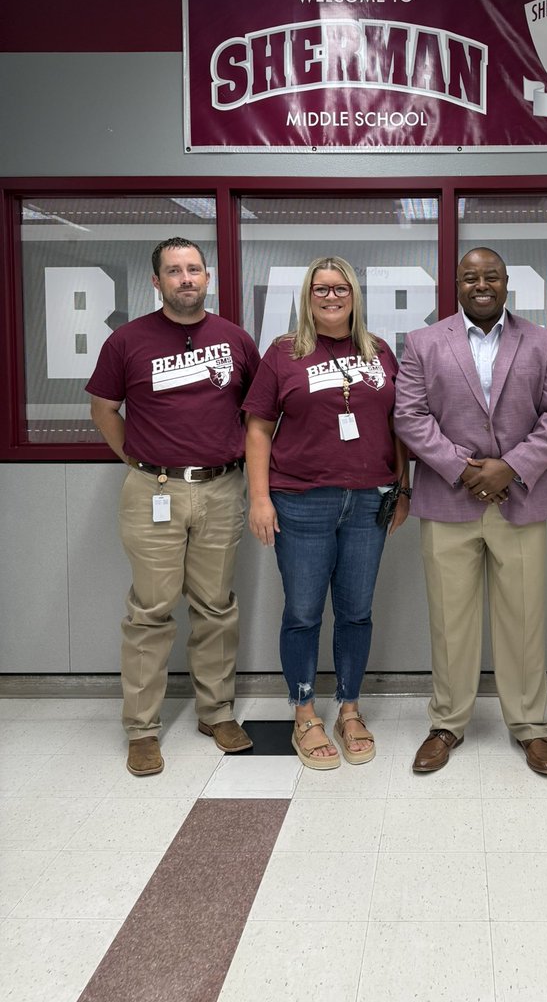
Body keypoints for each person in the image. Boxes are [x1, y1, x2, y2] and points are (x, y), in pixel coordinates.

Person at [393, 247, 547, 777]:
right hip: (448, 500)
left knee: (523, 619)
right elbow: (409, 415)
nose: (481, 283)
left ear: (505, 284)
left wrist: (511, 467)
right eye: (470, 276)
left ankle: (530, 726)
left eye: (490, 276)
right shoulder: (425, 342)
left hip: (520, 501)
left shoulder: (543, 342)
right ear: (456, 284)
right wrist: (465, 468)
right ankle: (447, 722)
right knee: (450, 621)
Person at [86, 237, 260, 776]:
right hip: (153, 490)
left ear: (207, 278)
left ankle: (217, 712)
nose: (186, 279)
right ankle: (142, 729)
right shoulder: (127, 341)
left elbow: (257, 414)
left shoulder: (234, 340)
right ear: (156, 282)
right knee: (150, 610)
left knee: (215, 604)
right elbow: (104, 407)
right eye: (174, 271)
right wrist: (140, 458)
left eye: (194, 269)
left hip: (221, 486)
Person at [242, 256, 409, 770]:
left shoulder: (379, 352)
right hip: (301, 502)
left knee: (357, 611)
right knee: (303, 613)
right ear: (307, 296)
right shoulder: (283, 353)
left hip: (368, 502)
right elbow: (257, 429)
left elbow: (400, 422)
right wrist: (260, 497)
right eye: (320, 288)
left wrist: (402, 487)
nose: (331, 296)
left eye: (340, 288)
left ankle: (349, 709)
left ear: (355, 295)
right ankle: (304, 713)